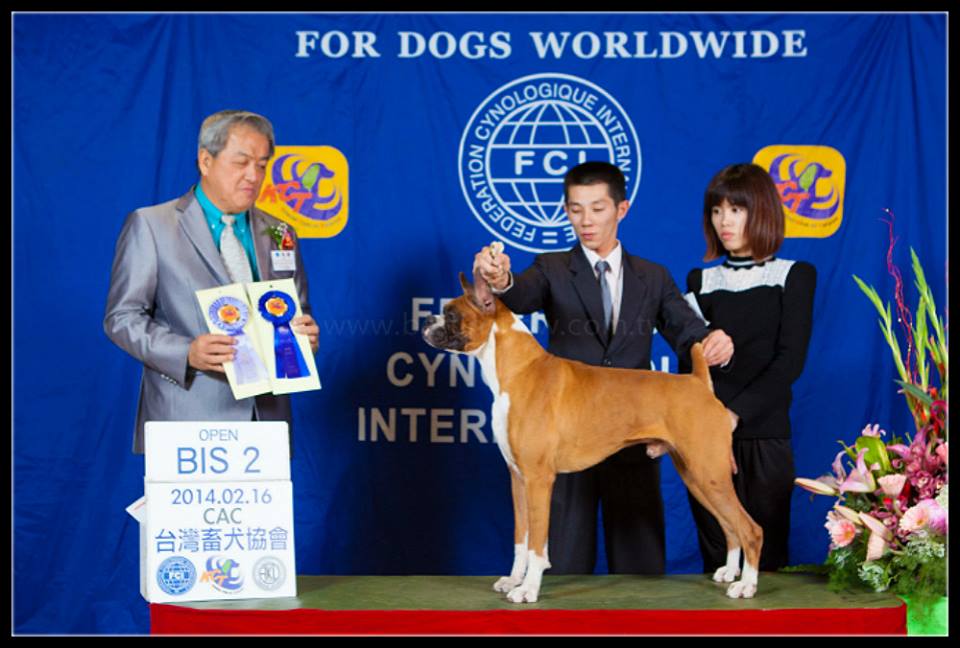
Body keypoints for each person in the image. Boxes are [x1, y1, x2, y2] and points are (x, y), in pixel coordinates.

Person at [474, 161, 735, 575]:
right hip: (565, 434)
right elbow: (520, 294)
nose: (586, 221)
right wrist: (502, 279)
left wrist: (711, 340)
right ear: (566, 211)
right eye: (576, 209)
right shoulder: (550, 268)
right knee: (563, 576)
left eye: (597, 208)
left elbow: (685, 329)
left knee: (641, 576)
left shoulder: (652, 276)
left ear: (621, 209)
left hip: (633, 433)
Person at [104, 109, 319, 454]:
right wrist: (186, 353)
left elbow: (297, 309)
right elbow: (121, 318)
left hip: (267, 422)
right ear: (206, 161)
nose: (254, 176)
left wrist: (303, 336)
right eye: (241, 162)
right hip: (187, 421)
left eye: (262, 165)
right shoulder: (151, 225)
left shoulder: (281, 232)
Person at [682, 162, 816, 574]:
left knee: (766, 561)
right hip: (705, 437)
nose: (724, 221)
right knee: (717, 560)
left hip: (764, 436)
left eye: (736, 210)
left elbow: (789, 362)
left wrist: (733, 415)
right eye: (717, 210)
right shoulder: (699, 280)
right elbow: (691, 365)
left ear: (761, 212)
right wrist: (711, 424)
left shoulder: (794, 275)